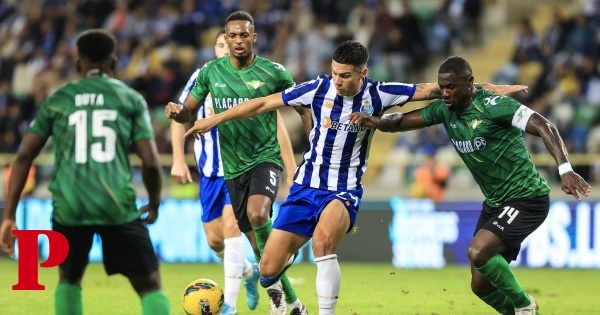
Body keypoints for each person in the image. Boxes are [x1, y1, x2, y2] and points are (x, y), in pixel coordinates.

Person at [182, 40, 523, 315]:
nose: (338, 81)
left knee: (323, 245)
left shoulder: (380, 93)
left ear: (363, 73)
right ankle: (293, 306)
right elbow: (261, 104)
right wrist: (214, 119)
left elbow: (435, 90)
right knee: (268, 269)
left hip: (343, 191)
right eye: (334, 74)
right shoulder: (316, 90)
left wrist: (491, 89)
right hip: (305, 188)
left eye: (345, 76)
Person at [348, 55, 592, 315]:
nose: (444, 93)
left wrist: (565, 169)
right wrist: (374, 121)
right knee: (480, 286)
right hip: (495, 203)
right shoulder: (444, 109)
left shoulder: (494, 105)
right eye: (441, 87)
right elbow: (400, 122)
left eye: (451, 87)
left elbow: (545, 125)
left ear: (470, 83)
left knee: (477, 251)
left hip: (526, 198)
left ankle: (525, 307)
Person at [0, 29, 169, 315]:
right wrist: (153, 203)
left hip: (69, 206)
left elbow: (24, 155)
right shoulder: (129, 98)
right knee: (150, 285)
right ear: (113, 63)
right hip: (115, 203)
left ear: (78, 63)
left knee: (69, 279)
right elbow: (151, 162)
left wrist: (9, 216)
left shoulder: (59, 99)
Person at [165, 11, 311, 315]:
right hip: (231, 168)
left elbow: (302, 104)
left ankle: (238, 302)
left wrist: (313, 145)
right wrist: (176, 112)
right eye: (233, 36)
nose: (238, 41)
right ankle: (292, 302)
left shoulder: (273, 72)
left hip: (265, 159)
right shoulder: (210, 73)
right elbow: (187, 112)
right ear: (225, 39)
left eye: (244, 35)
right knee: (258, 249)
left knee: (258, 215)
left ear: (254, 37)